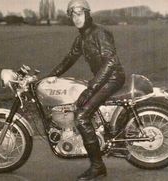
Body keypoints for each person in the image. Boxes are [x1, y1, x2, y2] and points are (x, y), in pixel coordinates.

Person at [48, 0, 125, 180]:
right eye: (72, 14)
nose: (76, 18)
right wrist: (51, 76)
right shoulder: (81, 38)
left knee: (81, 116)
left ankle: (98, 167)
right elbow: (70, 58)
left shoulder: (100, 32)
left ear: (88, 13)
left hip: (113, 78)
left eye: (79, 13)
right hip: (103, 78)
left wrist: (91, 89)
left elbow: (111, 62)